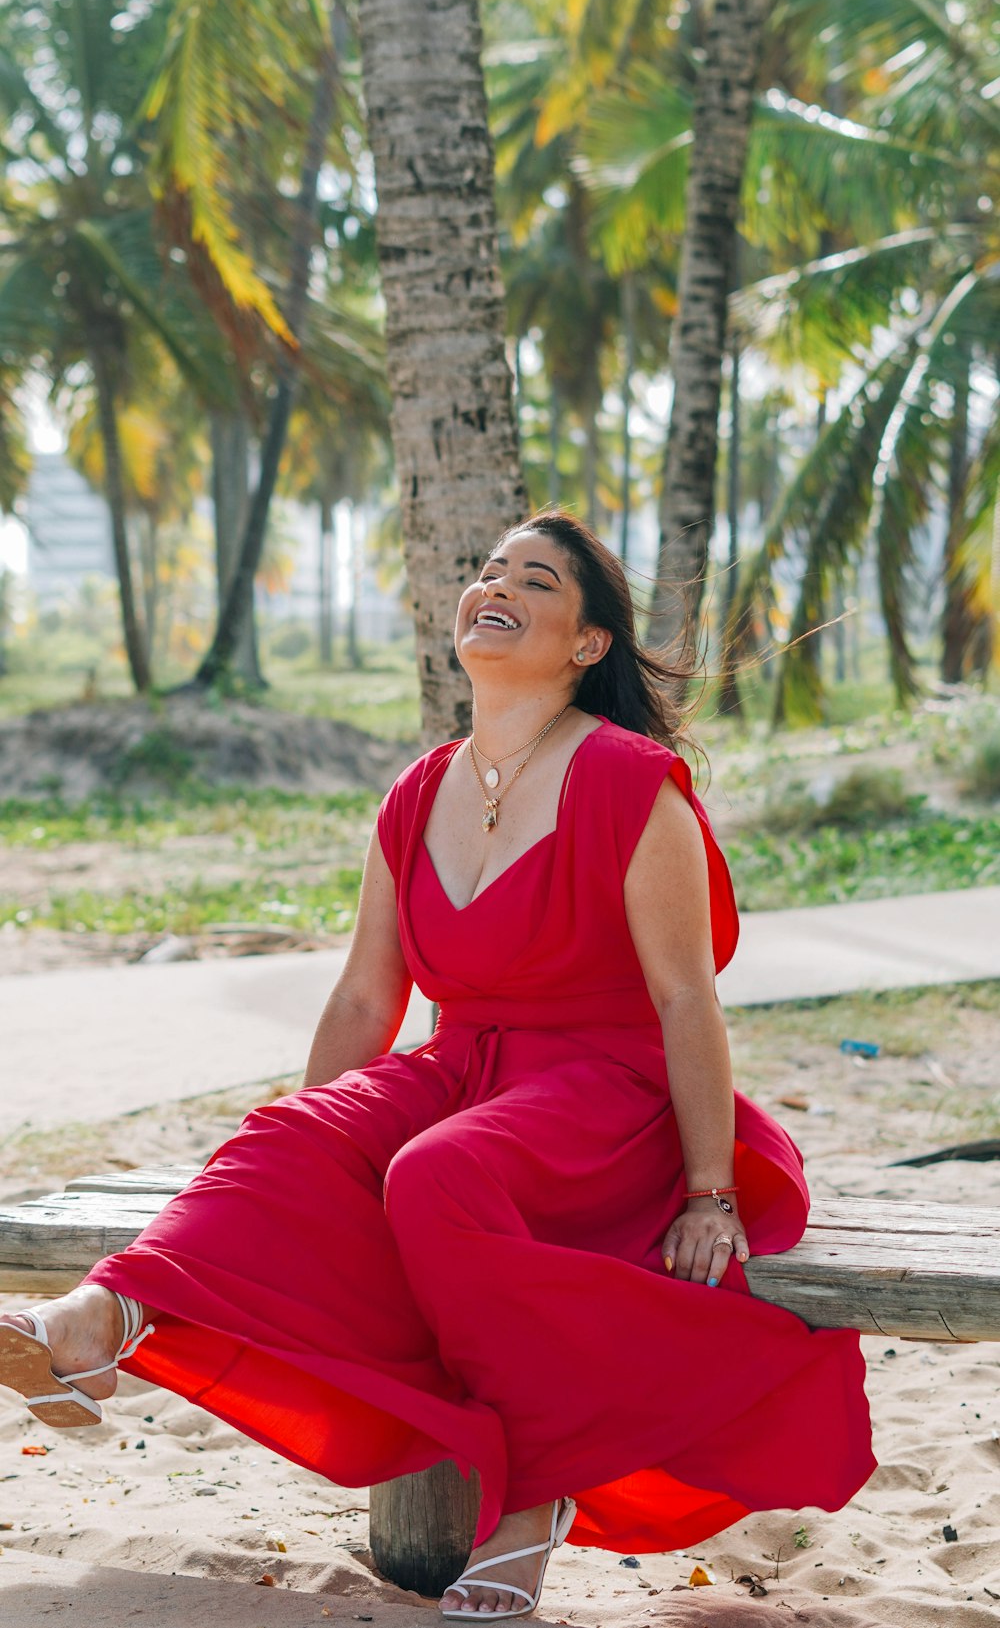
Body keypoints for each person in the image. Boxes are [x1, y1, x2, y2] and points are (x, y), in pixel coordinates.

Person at [0, 512, 875, 1620]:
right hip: (461, 1067)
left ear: (587, 644)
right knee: (284, 1134)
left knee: (433, 1176)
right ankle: (100, 1320)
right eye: (488, 569)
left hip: (612, 1090)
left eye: (537, 578)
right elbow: (369, 998)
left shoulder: (631, 784)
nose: (495, 585)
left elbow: (682, 998)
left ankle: (534, 1498)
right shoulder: (416, 792)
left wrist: (708, 1191)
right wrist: (316, 1152)